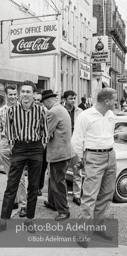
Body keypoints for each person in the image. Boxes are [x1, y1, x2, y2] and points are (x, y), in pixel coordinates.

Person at [0, 80, 49, 234]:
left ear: (34, 94)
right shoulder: (12, 111)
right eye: (22, 91)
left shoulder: (41, 110)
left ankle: (29, 220)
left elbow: (46, 132)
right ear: (19, 93)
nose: (25, 94)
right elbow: (8, 131)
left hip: (36, 147)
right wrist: (13, 146)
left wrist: (40, 147)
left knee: (33, 187)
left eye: (28, 92)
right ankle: (3, 221)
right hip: (19, 148)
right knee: (11, 186)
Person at [72, 88, 118, 248]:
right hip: (93, 157)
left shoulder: (111, 115)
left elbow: (109, 134)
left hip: (110, 156)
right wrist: (80, 159)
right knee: (90, 196)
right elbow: (76, 140)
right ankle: (82, 233)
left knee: (106, 194)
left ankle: (97, 227)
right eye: (114, 99)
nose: (116, 102)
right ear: (106, 101)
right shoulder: (85, 116)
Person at [0, 84, 27, 218]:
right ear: (6, 95)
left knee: (20, 178)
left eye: (15, 94)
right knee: (10, 177)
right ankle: (14, 200)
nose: (13, 97)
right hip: (5, 143)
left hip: (19, 144)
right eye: (11, 94)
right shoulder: (2, 110)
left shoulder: (25, 109)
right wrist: (0, 148)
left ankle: (23, 205)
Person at [41, 90, 71, 221]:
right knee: (53, 179)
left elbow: (46, 133)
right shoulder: (61, 109)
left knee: (58, 182)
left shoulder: (52, 112)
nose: (44, 106)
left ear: (47, 101)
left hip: (58, 153)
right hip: (64, 152)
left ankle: (64, 211)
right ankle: (53, 203)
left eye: (44, 103)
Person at [62, 90, 83, 206]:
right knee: (63, 172)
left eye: (74, 98)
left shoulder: (80, 111)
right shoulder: (61, 110)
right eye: (71, 98)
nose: (73, 100)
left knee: (77, 171)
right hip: (64, 145)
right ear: (65, 100)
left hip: (76, 146)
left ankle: (77, 195)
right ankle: (63, 195)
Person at [34, 93, 48, 196]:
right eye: (35, 99)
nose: (37, 101)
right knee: (32, 168)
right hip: (32, 144)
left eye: (39, 100)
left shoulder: (46, 112)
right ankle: (33, 187)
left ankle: (39, 187)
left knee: (42, 167)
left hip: (43, 144)